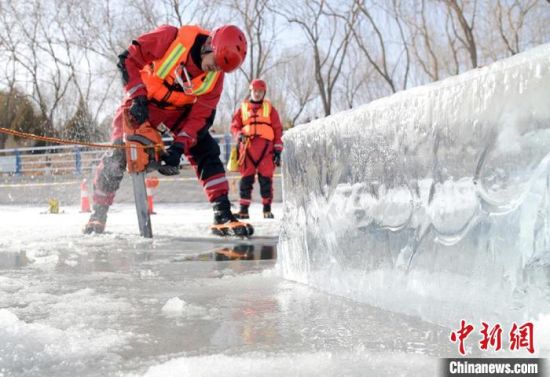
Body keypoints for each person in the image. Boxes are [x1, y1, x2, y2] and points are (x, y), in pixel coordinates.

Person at [83, 24, 253, 237]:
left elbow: (200, 116)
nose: (215, 70)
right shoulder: (171, 38)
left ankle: (222, 213)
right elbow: (128, 58)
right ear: (210, 46)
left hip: (177, 113)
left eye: (221, 68)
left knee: (205, 149)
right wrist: (137, 96)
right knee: (119, 153)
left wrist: (179, 147)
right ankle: (98, 214)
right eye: (215, 63)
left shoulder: (215, 78)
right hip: (142, 103)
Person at [230, 79, 283, 219]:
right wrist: (239, 134)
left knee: (266, 180)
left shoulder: (270, 109)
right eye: (255, 91)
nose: (257, 94)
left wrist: (278, 149)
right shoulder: (242, 108)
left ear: (264, 92)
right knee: (246, 181)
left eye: (260, 91)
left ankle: (267, 209)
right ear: (251, 91)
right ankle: (243, 210)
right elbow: (234, 126)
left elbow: (277, 129)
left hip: (266, 151)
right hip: (247, 150)